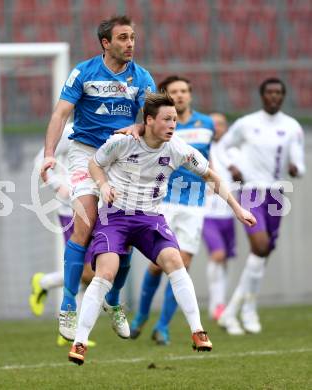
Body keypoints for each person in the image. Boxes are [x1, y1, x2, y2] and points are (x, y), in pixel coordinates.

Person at [68, 93, 256, 365]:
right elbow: (95, 164)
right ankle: (80, 342)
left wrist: (238, 209)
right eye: (167, 119)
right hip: (115, 217)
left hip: (150, 219)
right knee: (105, 273)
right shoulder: (122, 141)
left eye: (175, 120)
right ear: (149, 120)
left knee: (174, 262)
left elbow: (211, 176)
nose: (172, 125)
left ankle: (198, 330)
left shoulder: (177, 148)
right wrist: (104, 185)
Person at [40, 15, 156, 341]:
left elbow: (153, 116)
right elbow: (60, 113)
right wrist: (50, 153)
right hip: (85, 154)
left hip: (123, 159)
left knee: (128, 234)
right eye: (122, 38)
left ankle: (114, 301)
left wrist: (139, 126)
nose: (130, 43)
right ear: (106, 43)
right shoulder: (83, 72)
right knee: (85, 223)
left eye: (132, 37)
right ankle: (67, 305)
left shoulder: (142, 77)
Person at [130, 76, 215, 345]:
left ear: (190, 95)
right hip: (163, 200)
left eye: (184, 91)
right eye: (174, 91)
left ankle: (163, 326)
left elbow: (206, 161)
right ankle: (141, 315)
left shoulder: (207, 124)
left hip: (195, 204)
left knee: (183, 264)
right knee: (158, 265)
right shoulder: (161, 124)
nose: (179, 95)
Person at [217, 78, 306, 335]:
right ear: (262, 95)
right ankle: (248, 310)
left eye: (279, 92)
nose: (274, 96)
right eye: (270, 92)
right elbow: (224, 147)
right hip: (250, 190)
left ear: (284, 96)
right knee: (260, 245)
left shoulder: (292, 127)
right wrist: (233, 166)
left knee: (263, 254)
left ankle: (232, 312)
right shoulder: (247, 124)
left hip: (276, 193)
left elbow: (299, 164)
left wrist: (295, 168)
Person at [29, 123, 95, 347]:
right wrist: (58, 185)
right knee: (85, 272)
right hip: (71, 208)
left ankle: (46, 284)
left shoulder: (111, 126)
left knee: (92, 273)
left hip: (100, 207)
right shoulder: (70, 130)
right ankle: (71, 329)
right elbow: (40, 160)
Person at [203, 113, 239, 321]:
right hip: (208, 213)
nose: (218, 128)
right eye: (214, 124)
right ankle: (217, 304)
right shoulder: (201, 149)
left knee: (223, 260)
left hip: (228, 214)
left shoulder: (233, 150)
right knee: (218, 255)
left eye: (221, 124)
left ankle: (219, 304)